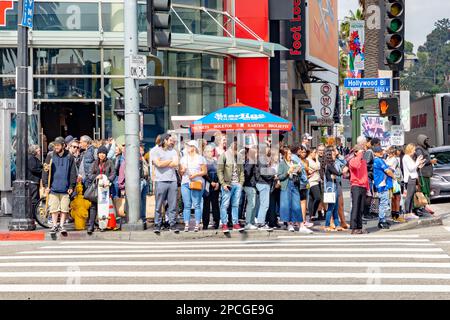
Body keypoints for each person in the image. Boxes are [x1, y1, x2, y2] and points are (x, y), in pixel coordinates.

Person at [42, 137, 77, 237]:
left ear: (63, 145)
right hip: (53, 187)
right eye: (55, 145)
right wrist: (45, 185)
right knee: (54, 208)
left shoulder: (69, 157)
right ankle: (54, 225)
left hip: (65, 188)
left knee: (64, 208)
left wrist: (71, 185)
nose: (56, 147)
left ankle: (61, 225)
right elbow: (45, 171)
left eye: (58, 145)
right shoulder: (50, 156)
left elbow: (72, 172)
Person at [278, 147, 313, 234]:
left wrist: (299, 171)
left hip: (294, 184)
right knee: (287, 205)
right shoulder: (282, 164)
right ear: (285, 155)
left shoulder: (294, 162)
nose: (291, 156)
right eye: (289, 154)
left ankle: (301, 225)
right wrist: (287, 172)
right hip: (286, 185)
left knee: (297, 205)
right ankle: (289, 224)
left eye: (291, 154)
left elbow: (300, 174)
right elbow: (279, 176)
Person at [152, 134, 180, 234]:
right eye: (170, 140)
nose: (171, 142)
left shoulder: (173, 151)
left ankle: (172, 224)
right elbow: (158, 164)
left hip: (172, 180)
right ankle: (157, 224)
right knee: (159, 204)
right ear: (164, 140)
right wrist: (169, 161)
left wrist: (163, 162)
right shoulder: (155, 151)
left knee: (172, 205)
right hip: (160, 180)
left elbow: (176, 163)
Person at [86, 145, 115, 234]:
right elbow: (89, 175)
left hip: (106, 188)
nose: (102, 155)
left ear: (106, 154)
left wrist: (108, 180)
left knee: (104, 206)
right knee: (93, 206)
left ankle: (103, 224)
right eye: (100, 153)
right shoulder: (94, 163)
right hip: (96, 188)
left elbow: (113, 174)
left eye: (103, 153)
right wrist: (96, 176)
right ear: (98, 154)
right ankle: (91, 225)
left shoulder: (110, 162)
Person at [217, 141, 245, 233]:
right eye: (236, 151)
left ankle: (235, 223)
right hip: (228, 184)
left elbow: (241, 171)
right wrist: (223, 184)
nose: (237, 153)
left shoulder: (239, 157)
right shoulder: (224, 156)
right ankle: (224, 224)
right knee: (225, 205)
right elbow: (220, 171)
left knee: (235, 205)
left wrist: (241, 183)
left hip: (237, 184)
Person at [180, 140, 207, 232]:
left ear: (194, 147)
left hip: (197, 182)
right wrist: (183, 170)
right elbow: (181, 172)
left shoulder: (200, 158)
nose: (187, 148)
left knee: (196, 204)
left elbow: (204, 171)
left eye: (189, 146)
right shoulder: (183, 158)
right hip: (185, 183)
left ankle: (197, 224)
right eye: (187, 146)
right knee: (187, 205)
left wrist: (195, 175)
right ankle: (186, 224)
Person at [321, 146, 344, 232]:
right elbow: (338, 173)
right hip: (331, 188)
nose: (335, 156)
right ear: (330, 156)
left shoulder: (330, 165)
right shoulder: (329, 165)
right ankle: (327, 225)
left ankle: (337, 224)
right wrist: (343, 171)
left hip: (334, 187)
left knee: (335, 206)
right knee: (331, 207)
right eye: (333, 155)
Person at [373, 146, 396, 229]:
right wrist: (394, 176)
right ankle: (382, 221)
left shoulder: (376, 160)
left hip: (380, 183)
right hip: (382, 184)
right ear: (375, 153)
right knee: (384, 203)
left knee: (384, 203)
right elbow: (387, 171)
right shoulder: (379, 160)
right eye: (379, 152)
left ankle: (383, 220)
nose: (381, 152)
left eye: (381, 151)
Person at [349, 144, 369, 234]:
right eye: (360, 152)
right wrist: (359, 155)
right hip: (356, 185)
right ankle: (354, 227)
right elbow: (356, 166)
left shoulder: (364, 162)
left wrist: (368, 188)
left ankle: (359, 227)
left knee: (361, 208)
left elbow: (365, 174)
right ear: (355, 152)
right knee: (355, 206)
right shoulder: (352, 161)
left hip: (363, 186)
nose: (362, 154)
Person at [403, 143, 426, 220]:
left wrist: (419, 164)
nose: (414, 152)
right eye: (413, 150)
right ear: (410, 149)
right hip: (410, 179)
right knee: (409, 196)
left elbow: (413, 168)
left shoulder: (408, 157)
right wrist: (417, 162)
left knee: (411, 196)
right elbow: (411, 168)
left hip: (412, 178)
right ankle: (407, 213)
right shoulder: (406, 157)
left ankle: (409, 212)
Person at [415, 134, 436, 215]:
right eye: (425, 140)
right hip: (422, 174)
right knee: (422, 191)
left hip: (427, 174)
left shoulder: (425, 148)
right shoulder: (418, 149)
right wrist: (430, 161)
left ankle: (425, 207)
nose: (427, 142)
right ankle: (422, 207)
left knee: (427, 191)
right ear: (421, 141)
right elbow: (421, 160)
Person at [255, 148, 274, 231]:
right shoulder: (261, 160)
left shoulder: (261, 159)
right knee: (264, 204)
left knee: (263, 204)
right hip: (263, 183)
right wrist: (273, 174)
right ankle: (261, 223)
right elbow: (264, 173)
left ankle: (261, 222)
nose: (269, 150)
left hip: (262, 183)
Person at [202, 145, 220, 230]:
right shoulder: (203, 161)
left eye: (212, 151)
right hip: (207, 184)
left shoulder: (215, 161)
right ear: (205, 153)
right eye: (209, 151)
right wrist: (211, 182)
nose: (211, 153)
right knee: (206, 204)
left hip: (215, 184)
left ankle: (216, 222)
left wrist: (217, 183)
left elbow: (219, 172)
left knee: (215, 204)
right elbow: (204, 174)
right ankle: (205, 223)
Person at [386, 147, 405, 223]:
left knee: (394, 198)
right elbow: (391, 169)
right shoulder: (394, 160)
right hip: (395, 180)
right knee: (397, 197)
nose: (389, 154)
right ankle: (396, 215)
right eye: (389, 153)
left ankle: (393, 214)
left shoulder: (388, 159)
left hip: (391, 180)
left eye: (390, 153)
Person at [243, 146, 258, 230]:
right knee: (251, 204)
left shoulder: (249, 161)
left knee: (253, 204)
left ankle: (251, 221)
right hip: (249, 185)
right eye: (254, 153)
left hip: (250, 184)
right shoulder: (250, 162)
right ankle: (248, 222)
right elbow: (247, 173)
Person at [307, 147, 322, 221]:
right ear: (310, 153)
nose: (316, 154)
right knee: (317, 197)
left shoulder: (313, 160)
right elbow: (318, 166)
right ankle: (312, 213)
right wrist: (316, 159)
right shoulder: (309, 160)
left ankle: (311, 215)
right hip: (312, 181)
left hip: (317, 180)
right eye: (314, 152)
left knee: (312, 198)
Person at [27, 145, 43, 211]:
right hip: (33, 181)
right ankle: (33, 215)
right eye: (38, 150)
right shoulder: (31, 158)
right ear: (34, 150)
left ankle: (33, 214)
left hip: (35, 181)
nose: (40, 151)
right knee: (34, 199)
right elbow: (33, 168)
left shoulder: (34, 158)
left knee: (35, 198)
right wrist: (42, 170)